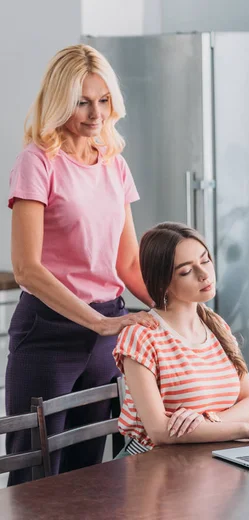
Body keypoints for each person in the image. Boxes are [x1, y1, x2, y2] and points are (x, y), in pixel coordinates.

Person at [6, 44, 157, 485]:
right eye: (82, 101)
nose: (96, 113)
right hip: (49, 332)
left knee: (94, 477)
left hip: (106, 330)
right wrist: (97, 322)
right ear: (59, 100)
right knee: (35, 474)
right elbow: (27, 269)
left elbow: (128, 262)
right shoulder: (36, 163)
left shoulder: (114, 164)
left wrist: (179, 312)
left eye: (104, 100)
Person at [113, 222, 249, 455]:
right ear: (163, 282)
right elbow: (160, 432)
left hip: (209, 460)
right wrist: (247, 430)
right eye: (186, 271)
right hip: (151, 468)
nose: (204, 274)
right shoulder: (141, 336)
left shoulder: (216, 326)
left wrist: (208, 419)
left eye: (205, 260)